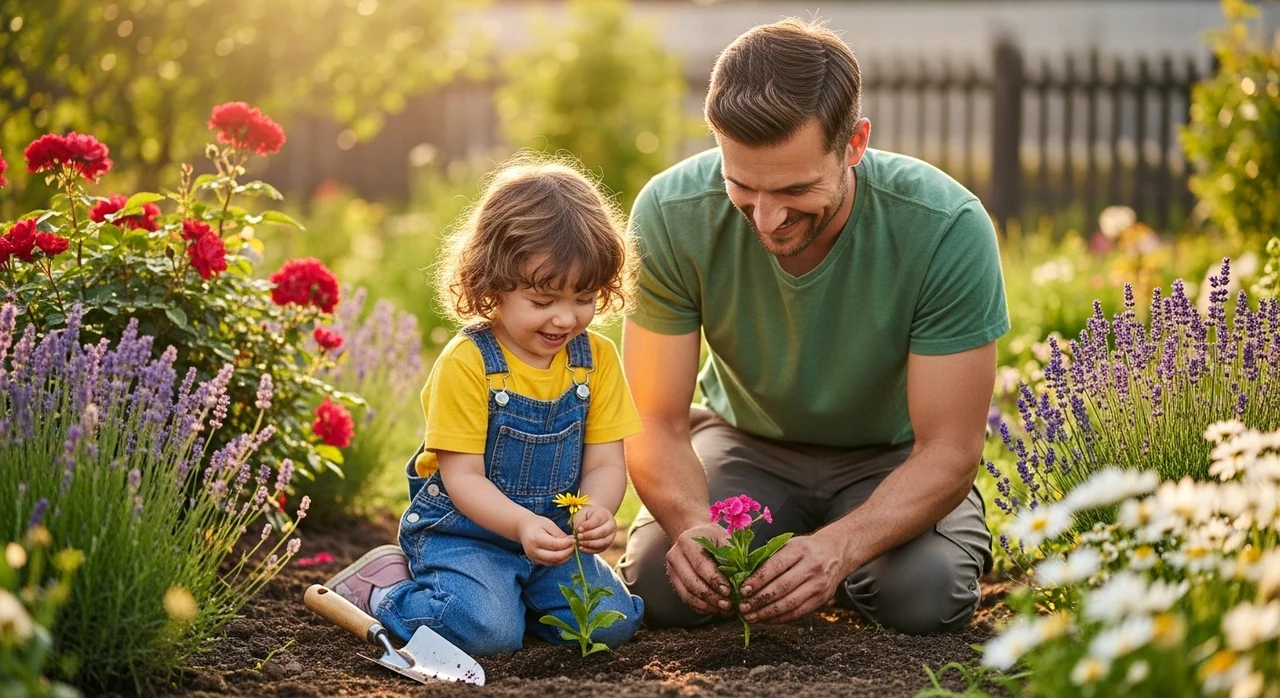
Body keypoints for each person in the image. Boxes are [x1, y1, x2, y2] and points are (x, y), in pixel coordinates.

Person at [616, 17, 1009, 635]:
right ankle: (787, 556)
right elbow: (655, 419)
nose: (767, 220)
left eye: (796, 190)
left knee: (923, 595)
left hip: (892, 458)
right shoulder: (670, 214)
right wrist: (693, 522)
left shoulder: (945, 227)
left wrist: (841, 549)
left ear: (854, 144)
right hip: (747, 443)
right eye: (741, 188)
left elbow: (950, 451)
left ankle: (825, 561)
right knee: (664, 590)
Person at [324, 155, 645, 655]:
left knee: (608, 623)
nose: (565, 318)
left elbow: (605, 460)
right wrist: (519, 524)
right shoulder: (469, 363)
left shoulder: (596, 359)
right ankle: (387, 590)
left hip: (552, 543)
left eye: (584, 297)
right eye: (543, 301)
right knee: (489, 633)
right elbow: (464, 478)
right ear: (493, 283)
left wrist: (598, 510)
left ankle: (516, 601)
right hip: (466, 536)